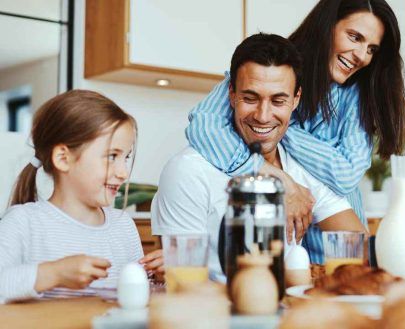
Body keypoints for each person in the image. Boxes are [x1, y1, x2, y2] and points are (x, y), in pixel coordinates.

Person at [185, 0, 405, 263]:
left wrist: (277, 125)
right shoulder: (270, 66)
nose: (361, 55)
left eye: (371, 48)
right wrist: (276, 176)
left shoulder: (357, 96)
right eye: (354, 37)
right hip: (285, 250)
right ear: (327, 27)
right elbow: (202, 125)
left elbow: (346, 174)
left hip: (338, 250)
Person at [152, 33, 366, 281]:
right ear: (231, 95)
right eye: (250, 98)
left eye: (278, 100)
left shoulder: (298, 168)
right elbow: (179, 281)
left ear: (296, 100)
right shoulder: (188, 170)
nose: (263, 116)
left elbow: (354, 240)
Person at [0, 90, 163, 303]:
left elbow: (135, 296)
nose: (123, 172)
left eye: (126, 157)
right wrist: (53, 273)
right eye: (112, 156)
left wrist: (159, 280)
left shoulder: (123, 225)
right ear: (63, 158)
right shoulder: (24, 222)